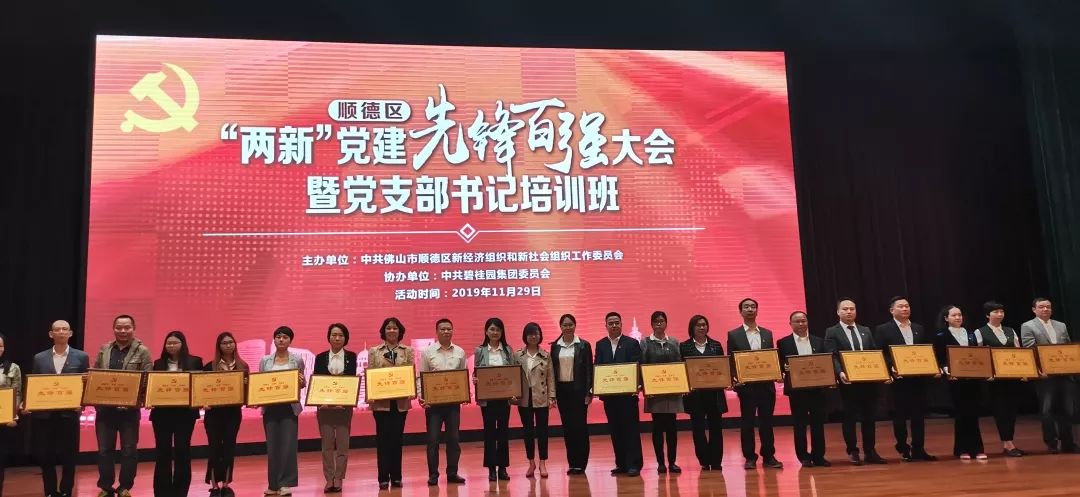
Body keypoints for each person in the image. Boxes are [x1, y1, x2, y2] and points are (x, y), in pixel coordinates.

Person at [27, 320, 90, 497]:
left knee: (69, 456)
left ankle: (66, 491)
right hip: (45, 416)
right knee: (46, 456)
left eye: (65, 329)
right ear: (51, 334)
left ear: (70, 333)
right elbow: (35, 385)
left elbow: (86, 384)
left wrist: (82, 403)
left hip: (69, 414)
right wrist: (31, 403)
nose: (61, 332)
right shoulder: (39, 358)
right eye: (57, 329)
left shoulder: (81, 357)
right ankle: (49, 491)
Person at [93, 314, 152, 497]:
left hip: (129, 412)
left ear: (133, 329)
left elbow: (147, 378)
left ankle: (125, 487)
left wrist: (135, 400)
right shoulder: (104, 349)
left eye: (127, 327)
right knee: (104, 451)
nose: (123, 331)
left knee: (129, 451)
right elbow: (96, 375)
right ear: (114, 329)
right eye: (119, 327)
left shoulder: (142, 351)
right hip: (105, 410)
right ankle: (106, 487)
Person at [874, 296, 938, 462]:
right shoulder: (883, 329)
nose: (905, 309)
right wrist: (892, 367)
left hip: (918, 379)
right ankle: (903, 447)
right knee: (899, 415)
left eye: (907, 306)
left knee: (919, 415)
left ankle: (919, 448)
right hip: (898, 380)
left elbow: (926, 352)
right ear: (892, 310)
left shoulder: (919, 328)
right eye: (901, 306)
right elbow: (879, 353)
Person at [825, 299, 887, 465]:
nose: (849, 312)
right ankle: (852, 450)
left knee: (869, 417)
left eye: (852, 309)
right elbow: (832, 355)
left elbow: (874, 353)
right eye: (845, 309)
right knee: (849, 417)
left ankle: (870, 451)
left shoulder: (865, 330)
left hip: (868, 381)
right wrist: (840, 372)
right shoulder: (832, 331)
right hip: (848, 382)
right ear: (838, 312)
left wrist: (882, 371)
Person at [727, 298, 782, 470]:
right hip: (746, 387)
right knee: (747, 423)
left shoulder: (767, 333)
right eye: (746, 307)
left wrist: (777, 372)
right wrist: (734, 378)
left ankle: (769, 456)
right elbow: (731, 360)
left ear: (757, 310)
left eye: (753, 307)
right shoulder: (734, 334)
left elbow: (772, 358)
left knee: (767, 423)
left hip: (766, 386)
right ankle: (750, 457)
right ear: (741, 311)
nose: (750, 309)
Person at [150, 331, 203, 497]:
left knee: (182, 451)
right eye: (169, 343)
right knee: (162, 452)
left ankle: (180, 492)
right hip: (161, 415)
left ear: (182, 344)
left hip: (185, 415)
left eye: (175, 343)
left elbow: (200, 386)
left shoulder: (195, 361)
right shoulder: (158, 363)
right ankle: (162, 492)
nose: (171, 346)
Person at [1020, 297, 1076, 453]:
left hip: (1064, 374)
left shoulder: (1061, 325)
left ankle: (1068, 443)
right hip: (1045, 374)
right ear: (1034, 309)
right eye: (1041, 307)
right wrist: (1039, 369)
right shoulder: (1028, 326)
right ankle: (1051, 443)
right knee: (1047, 410)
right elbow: (1030, 349)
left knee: (1067, 409)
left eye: (1048, 307)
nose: (1045, 309)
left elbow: (1068, 347)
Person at [934, 305, 989, 460]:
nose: (958, 318)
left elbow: (978, 355)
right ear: (946, 318)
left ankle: (977, 449)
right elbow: (939, 358)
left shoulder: (971, 334)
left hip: (972, 380)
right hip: (955, 381)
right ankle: (962, 449)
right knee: (961, 414)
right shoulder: (941, 335)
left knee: (974, 414)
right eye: (954, 315)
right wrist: (946, 370)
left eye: (959, 315)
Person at [777, 311, 831, 467]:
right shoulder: (783, 343)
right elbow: (780, 363)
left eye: (803, 321)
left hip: (817, 389)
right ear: (790, 324)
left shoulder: (819, 341)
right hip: (797, 391)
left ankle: (819, 456)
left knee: (818, 424)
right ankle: (803, 457)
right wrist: (784, 367)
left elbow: (825, 362)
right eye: (797, 321)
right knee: (799, 424)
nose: (801, 324)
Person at [258, 326, 307, 496]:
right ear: (274, 340)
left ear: (290, 340)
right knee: (272, 447)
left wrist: (301, 381)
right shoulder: (265, 361)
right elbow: (260, 383)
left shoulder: (297, 360)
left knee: (288, 446)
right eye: (278, 336)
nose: (281, 339)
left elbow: (302, 383)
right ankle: (273, 484)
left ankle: (285, 483)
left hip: (289, 408)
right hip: (270, 408)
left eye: (285, 337)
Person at [594, 311, 643, 477]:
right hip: (610, 397)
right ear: (606, 326)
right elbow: (598, 367)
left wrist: (636, 384)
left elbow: (637, 365)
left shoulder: (632, 343)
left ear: (621, 324)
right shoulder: (601, 344)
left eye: (617, 322)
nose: (614, 325)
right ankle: (621, 464)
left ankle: (634, 464)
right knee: (615, 430)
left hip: (628, 396)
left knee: (631, 430)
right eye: (611, 323)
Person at [419, 318, 467, 486]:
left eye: (449, 329)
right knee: (433, 441)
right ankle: (433, 474)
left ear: (452, 331)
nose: (446, 331)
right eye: (443, 329)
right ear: (437, 331)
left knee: (453, 439)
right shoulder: (428, 352)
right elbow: (421, 376)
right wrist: (422, 396)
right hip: (433, 405)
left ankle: (452, 473)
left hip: (453, 404)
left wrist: (464, 394)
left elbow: (463, 375)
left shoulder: (460, 352)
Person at [367, 318, 413, 490]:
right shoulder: (374, 351)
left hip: (400, 403)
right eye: (388, 328)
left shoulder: (407, 351)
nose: (392, 331)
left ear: (400, 331)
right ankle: (383, 478)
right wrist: (371, 394)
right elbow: (370, 374)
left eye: (395, 328)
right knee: (383, 440)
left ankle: (397, 477)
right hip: (381, 404)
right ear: (383, 331)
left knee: (397, 440)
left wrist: (411, 389)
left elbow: (410, 373)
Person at [976, 301, 1025, 457]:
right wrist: (986, 373)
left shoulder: (1010, 331)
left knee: (1012, 410)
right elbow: (979, 356)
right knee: (1001, 410)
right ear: (987, 315)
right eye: (995, 312)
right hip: (994, 380)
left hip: (1012, 376)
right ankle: (1008, 443)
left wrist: (1024, 372)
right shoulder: (980, 332)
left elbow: (1019, 353)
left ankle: (1009, 441)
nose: (999, 314)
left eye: (1001, 312)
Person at [313, 323, 357, 493]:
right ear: (329, 337)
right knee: (327, 445)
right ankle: (329, 478)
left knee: (343, 444)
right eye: (334, 335)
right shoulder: (320, 357)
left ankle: (339, 477)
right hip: (324, 408)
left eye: (340, 335)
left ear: (345, 338)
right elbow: (317, 381)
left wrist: (344, 401)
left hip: (344, 408)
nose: (337, 338)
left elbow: (351, 381)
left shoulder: (351, 357)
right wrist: (320, 401)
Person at [202, 332, 248, 496]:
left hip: (233, 414)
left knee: (229, 448)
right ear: (219, 346)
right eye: (224, 343)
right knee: (214, 448)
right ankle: (214, 485)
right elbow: (202, 390)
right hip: (213, 415)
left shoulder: (243, 366)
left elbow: (247, 390)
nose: (228, 345)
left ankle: (226, 484)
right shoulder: (209, 366)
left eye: (231, 342)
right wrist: (203, 403)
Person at [679, 315, 727, 471]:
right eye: (698, 325)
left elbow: (722, 368)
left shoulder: (716, 345)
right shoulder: (684, 346)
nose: (702, 327)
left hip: (714, 394)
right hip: (695, 396)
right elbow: (682, 369)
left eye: (704, 324)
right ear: (692, 328)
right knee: (698, 430)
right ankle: (704, 460)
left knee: (716, 429)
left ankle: (716, 460)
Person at [549, 314, 593, 475]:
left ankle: (581, 463)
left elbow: (589, 369)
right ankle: (572, 463)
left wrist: (589, 391)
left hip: (579, 391)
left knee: (580, 427)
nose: (567, 327)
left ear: (575, 325)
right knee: (567, 428)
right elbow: (552, 371)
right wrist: (552, 393)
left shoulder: (584, 345)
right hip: (562, 391)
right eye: (565, 325)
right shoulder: (555, 346)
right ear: (560, 327)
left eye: (570, 324)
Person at [640, 311, 683, 474]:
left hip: (672, 392)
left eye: (662, 321)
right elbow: (642, 365)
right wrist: (645, 387)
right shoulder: (645, 343)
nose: (659, 323)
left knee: (672, 427)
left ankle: (672, 462)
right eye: (656, 321)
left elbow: (680, 364)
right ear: (651, 324)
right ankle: (660, 463)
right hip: (655, 393)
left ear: (666, 323)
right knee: (657, 427)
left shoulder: (674, 342)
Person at [474, 317, 516, 481]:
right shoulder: (480, 351)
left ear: (502, 332)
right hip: (487, 399)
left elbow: (513, 373)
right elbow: (476, 372)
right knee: (489, 432)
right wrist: (475, 379)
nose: (495, 332)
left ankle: (503, 468)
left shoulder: (508, 350)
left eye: (498, 329)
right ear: (486, 331)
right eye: (492, 329)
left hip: (504, 398)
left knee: (503, 432)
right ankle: (491, 468)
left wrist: (514, 391)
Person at [513, 322, 556, 479]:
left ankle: (543, 462)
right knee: (528, 431)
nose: (533, 336)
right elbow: (512, 377)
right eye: (530, 333)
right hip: (524, 398)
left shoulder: (545, 355)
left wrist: (552, 397)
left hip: (541, 397)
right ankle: (531, 462)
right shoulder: (517, 355)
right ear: (525, 336)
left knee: (543, 431)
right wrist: (512, 394)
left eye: (536, 333)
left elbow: (551, 377)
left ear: (540, 336)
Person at [0, 332, 22, 497]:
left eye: (0, 346)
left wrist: (13, 415)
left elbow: (17, 393)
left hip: (2, 422)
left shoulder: (13, 368)